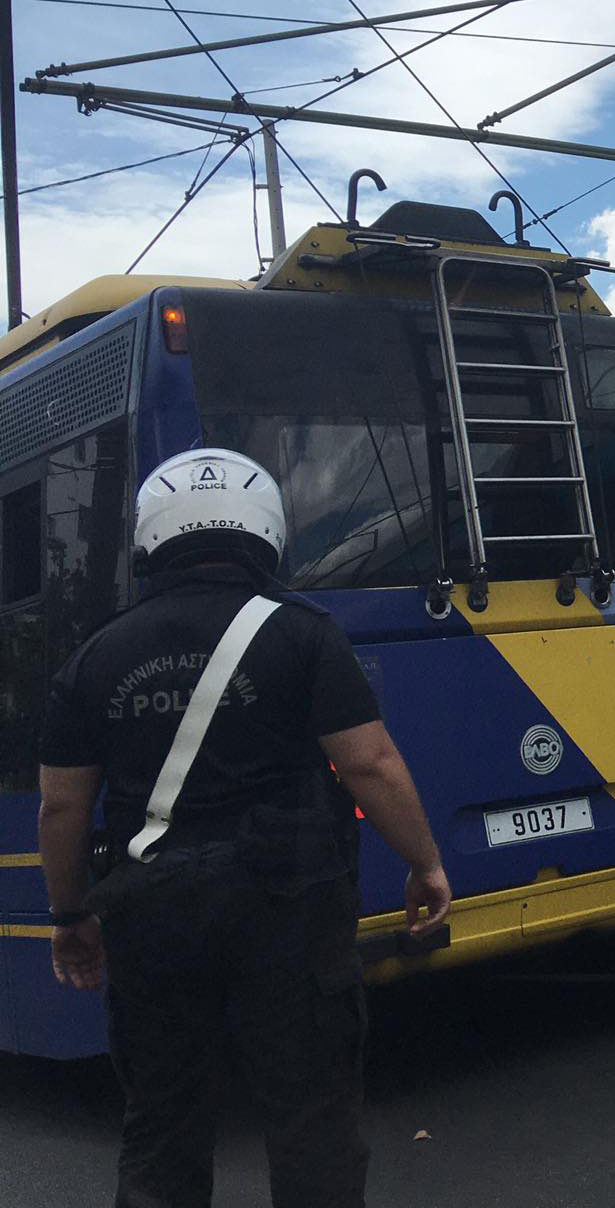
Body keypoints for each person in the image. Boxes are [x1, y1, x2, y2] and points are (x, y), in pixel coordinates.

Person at [35, 447, 452, 1208]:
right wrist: (424, 862)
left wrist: (70, 917)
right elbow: (372, 764)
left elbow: (61, 808)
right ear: (266, 529)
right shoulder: (304, 633)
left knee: (162, 1119)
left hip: (150, 913)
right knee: (311, 1114)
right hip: (289, 905)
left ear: (151, 536)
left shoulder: (94, 655)